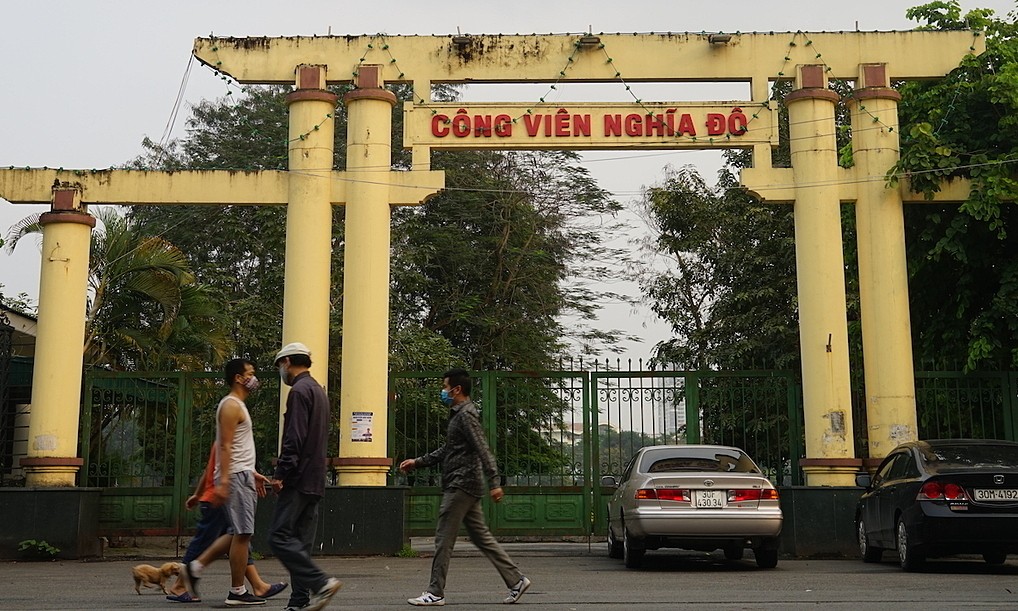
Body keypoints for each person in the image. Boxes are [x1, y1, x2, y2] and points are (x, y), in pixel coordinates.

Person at [400, 368, 531, 607]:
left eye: (445, 386)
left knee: (443, 539)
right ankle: (516, 580)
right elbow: (448, 450)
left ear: (456, 389)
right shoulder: (458, 415)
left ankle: (435, 592)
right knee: (482, 538)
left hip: (460, 485)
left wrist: (494, 481)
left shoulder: (466, 415)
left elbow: (483, 449)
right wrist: (417, 462)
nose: (443, 391)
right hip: (465, 484)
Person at [180, 358, 267, 606]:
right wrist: (226, 480)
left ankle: (196, 567)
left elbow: (237, 447)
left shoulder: (238, 405)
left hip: (242, 473)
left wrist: (252, 472)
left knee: (237, 533)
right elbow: (225, 446)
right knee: (242, 533)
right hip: (236, 476)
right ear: (238, 378)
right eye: (250, 373)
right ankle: (237, 591)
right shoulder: (230, 406)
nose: (254, 378)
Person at [268, 342, 342, 611]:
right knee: (299, 542)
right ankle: (299, 601)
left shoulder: (299, 391)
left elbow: (294, 438)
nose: (281, 372)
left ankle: (320, 583)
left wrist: (281, 474)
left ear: (287, 362)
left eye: (280, 366)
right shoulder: (318, 391)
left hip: (298, 479)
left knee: (278, 536)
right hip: (315, 478)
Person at [166, 442, 288, 603]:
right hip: (217, 498)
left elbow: (212, 469)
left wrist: (197, 494)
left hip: (219, 497)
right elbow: (221, 469)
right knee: (210, 541)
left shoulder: (226, 440)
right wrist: (200, 494)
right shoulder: (227, 441)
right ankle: (179, 586)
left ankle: (259, 585)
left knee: (237, 541)